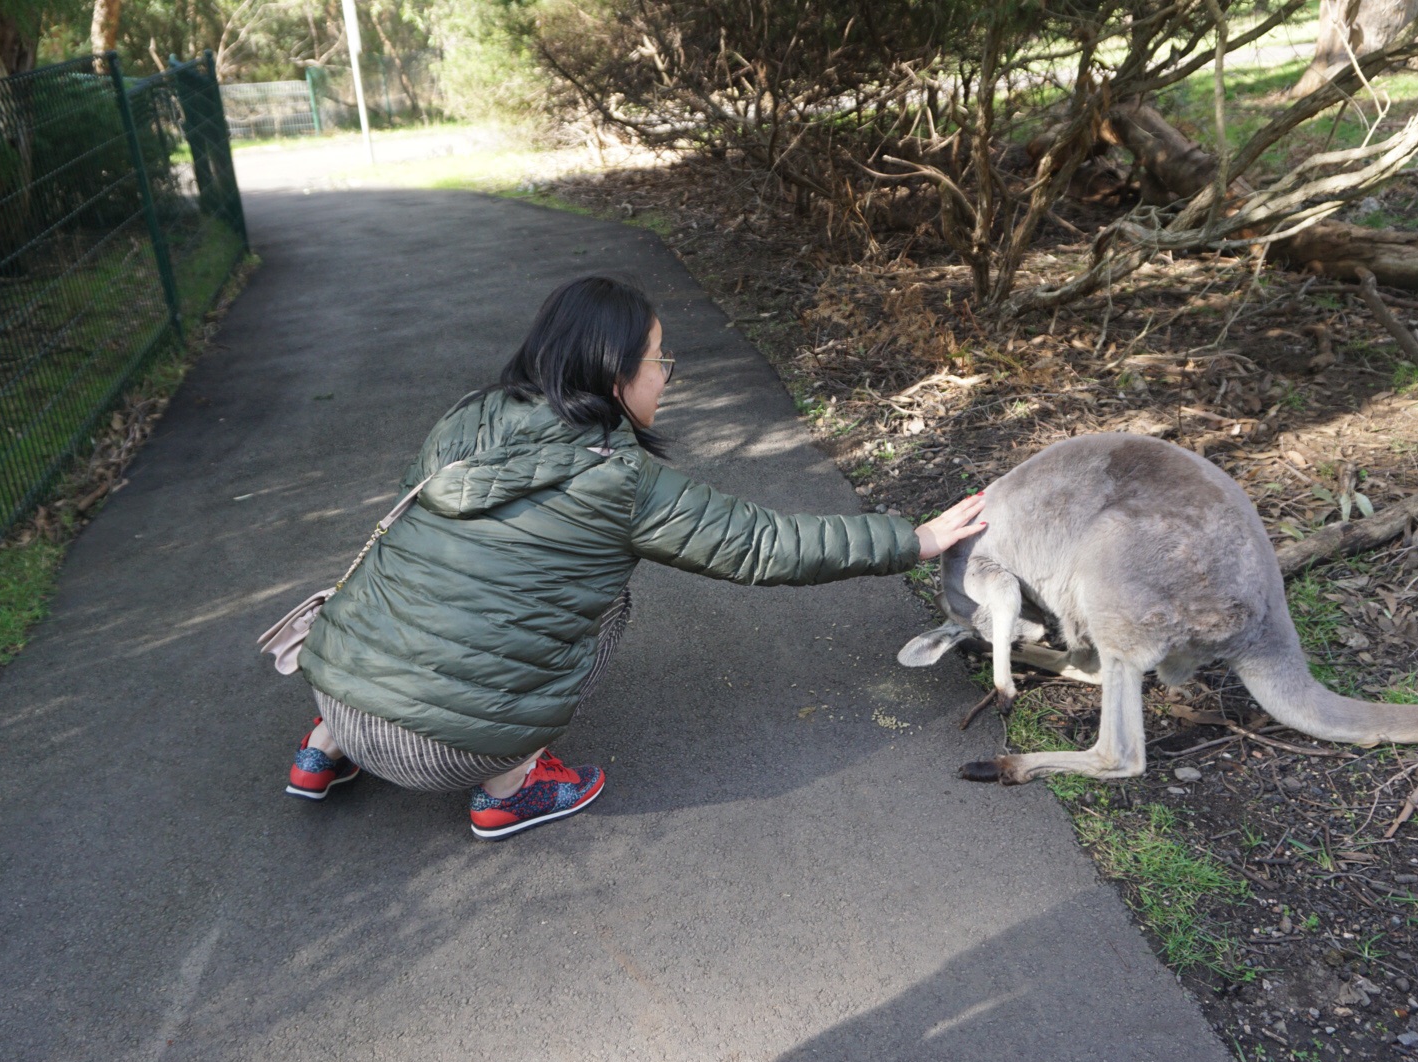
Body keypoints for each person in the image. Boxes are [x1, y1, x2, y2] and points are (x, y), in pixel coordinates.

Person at [286, 275, 987, 839]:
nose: (667, 375)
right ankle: (511, 789)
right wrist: (914, 539)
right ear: (613, 371)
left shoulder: (468, 416)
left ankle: (324, 752)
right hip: (451, 750)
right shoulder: (619, 479)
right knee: (607, 601)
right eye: (659, 360)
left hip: (335, 688)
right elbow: (762, 544)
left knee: (425, 571)